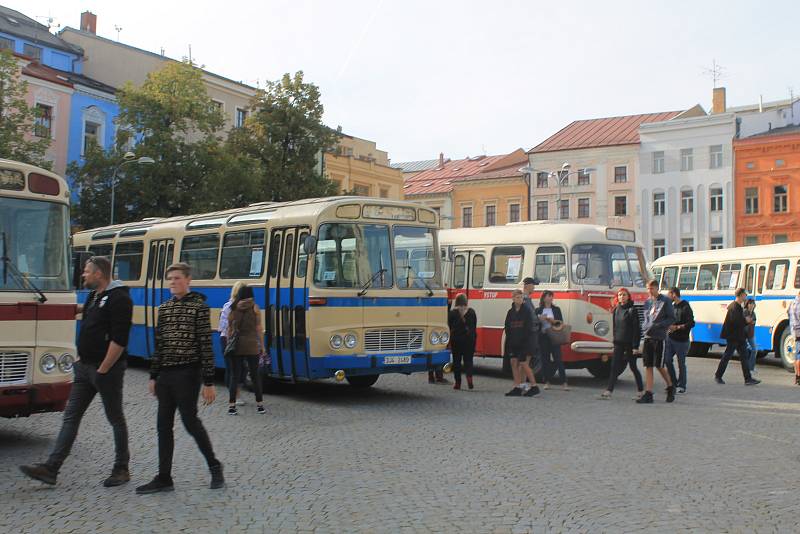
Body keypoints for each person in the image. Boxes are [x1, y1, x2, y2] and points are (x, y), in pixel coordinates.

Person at [19, 256, 133, 487]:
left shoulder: (120, 298)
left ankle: (121, 468)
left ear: (99, 274)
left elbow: (119, 340)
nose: (83, 275)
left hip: (105, 371)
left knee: (115, 418)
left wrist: (103, 369)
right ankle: (51, 468)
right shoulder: (94, 296)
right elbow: (89, 319)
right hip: (84, 369)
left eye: (87, 271)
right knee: (71, 417)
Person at [136, 262, 224, 494]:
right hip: (166, 373)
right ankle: (164, 477)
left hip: (188, 373)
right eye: (170, 279)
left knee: (190, 422)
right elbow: (160, 344)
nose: (173, 282)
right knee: (162, 426)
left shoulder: (199, 307)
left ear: (188, 280)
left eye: (177, 278)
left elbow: (206, 344)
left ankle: (215, 466)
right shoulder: (164, 308)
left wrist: (209, 381)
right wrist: (153, 375)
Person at [226, 285, 266, 414]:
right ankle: (260, 405)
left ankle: (232, 407)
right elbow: (259, 329)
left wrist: (228, 343)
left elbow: (229, 329)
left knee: (234, 376)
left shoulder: (233, 307)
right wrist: (262, 346)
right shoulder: (255, 308)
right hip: (251, 345)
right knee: (255, 376)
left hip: (236, 345)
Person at [600, 288, 644, 400]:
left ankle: (640, 390)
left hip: (629, 343)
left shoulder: (632, 310)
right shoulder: (616, 309)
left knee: (633, 367)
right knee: (614, 366)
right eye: (620, 295)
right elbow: (615, 327)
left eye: (624, 295)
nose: (622, 297)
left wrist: (635, 346)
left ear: (628, 296)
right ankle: (609, 390)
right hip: (618, 342)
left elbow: (636, 329)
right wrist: (614, 340)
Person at [637, 280, 676, 404]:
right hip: (648, 336)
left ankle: (670, 386)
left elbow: (671, 318)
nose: (650, 291)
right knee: (648, 365)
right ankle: (648, 393)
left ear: (657, 288)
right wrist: (644, 326)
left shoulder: (665, 301)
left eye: (652, 288)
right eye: (648, 289)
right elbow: (646, 317)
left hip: (659, 337)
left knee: (659, 365)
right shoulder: (647, 302)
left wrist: (659, 325)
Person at [715, 288, 760, 386]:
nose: (745, 297)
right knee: (727, 356)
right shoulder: (734, 307)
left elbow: (739, 321)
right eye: (744, 295)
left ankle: (748, 379)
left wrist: (745, 321)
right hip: (733, 336)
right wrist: (746, 321)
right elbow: (736, 322)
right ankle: (718, 376)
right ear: (740, 295)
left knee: (744, 357)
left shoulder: (738, 307)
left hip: (740, 337)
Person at [504, 289, 540, 397]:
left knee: (523, 363)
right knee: (513, 362)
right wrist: (510, 340)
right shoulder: (510, 312)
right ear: (513, 298)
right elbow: (507, 327)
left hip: (525, 342)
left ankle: (534, 386)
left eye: (521, 297)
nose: (519, 299)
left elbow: (528, 328)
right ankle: (517, 386)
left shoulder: (527, 311)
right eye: (517, 297)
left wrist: (523, 341)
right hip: (513, 342)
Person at [219, 281, 247, 405]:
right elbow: (223, 327)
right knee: (233, 369)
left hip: (241, 340)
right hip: (229, 340)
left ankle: (236, 393)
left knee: (242, 368)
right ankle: (234, 396)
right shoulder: (228, 306)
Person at [535, 290, 568, 391]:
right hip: (543, 336)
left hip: (554, 336)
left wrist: (552, 321)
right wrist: (540, 319)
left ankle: (564, 382)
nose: (550, 298)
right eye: (548, 296)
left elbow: (560, 322)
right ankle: (546, 381)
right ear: (544, 298)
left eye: (551, 296)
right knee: (545, 360)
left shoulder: (556, 309)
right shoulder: (538, 310)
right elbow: (534, 323)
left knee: (558, 359)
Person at [664, 287, 695, 394]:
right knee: (667, 360)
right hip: (670, 339)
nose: (667, 297)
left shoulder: (685, 306)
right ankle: (673, 382)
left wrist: (677, 327)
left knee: (681, 363)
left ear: (674, 294)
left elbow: (691, 323)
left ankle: (682, 385)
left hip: (682, 341)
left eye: (669, 294)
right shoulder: (672, 307)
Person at [449, 294, 477, 390]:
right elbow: (474, 325)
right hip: (469, 340)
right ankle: (469, 379)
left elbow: (449, 327)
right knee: (468, 360)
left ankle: (458, 383)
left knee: (457, 362)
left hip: (456, 340)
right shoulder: (472, 312)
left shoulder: (452, 313)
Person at [743, 299, 758, 378]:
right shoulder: (745, 311)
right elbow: (748, 321)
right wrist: (750, 321)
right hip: (744, 335)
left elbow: (752, 322)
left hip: (751, 334)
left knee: (754, 350)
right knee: (747, 351)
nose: (751, 305)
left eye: (753, 304)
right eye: (750, 304)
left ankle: (751, 368)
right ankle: (748, 370)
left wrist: (750, 321)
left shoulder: (753, 313)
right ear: (747, 304)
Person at [789, 290, 800, 385]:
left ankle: (796, 376)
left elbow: (788, 314)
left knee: (796, 355)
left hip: (794, 332)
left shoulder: (792, 303)